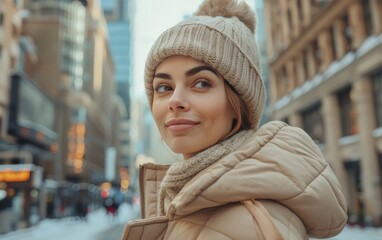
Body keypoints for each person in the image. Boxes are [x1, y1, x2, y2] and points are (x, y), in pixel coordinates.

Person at [121, 0, 347, 239]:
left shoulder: (250, 223)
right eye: (164, 87)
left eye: (201, 83)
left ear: (238, 104)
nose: (175, 101)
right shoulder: (189, 197)